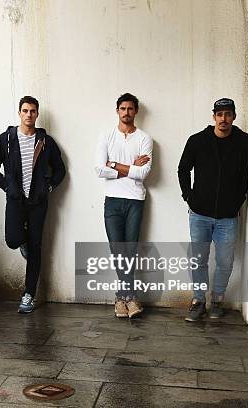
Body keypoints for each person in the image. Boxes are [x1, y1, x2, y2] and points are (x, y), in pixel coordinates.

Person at [0, 95, 66, 313]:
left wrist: (48, 187)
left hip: (38, 203)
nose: (29, 115)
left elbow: (60, 170)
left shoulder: (46, 141)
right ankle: (22, 242)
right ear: (19, 113)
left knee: (35, 248)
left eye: (33, 111)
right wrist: (6, 186)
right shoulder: (6, 139)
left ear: (37, 114)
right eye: (25, 111)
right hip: (15, 200)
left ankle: (28, 294)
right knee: (13, 240)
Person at [178, 98, 248, 321]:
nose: (223, 119)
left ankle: (217, 300)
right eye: (220, 115)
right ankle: (199, 300)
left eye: (228, 114)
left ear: (234, 117)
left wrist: (239, 199)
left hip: (228, 216)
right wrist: (189, 196)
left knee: (225, 262)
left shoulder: (243, 142)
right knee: (198, 259)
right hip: (199, 214)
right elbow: (183, 169)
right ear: (214, 117)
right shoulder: (197, 141)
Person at [94, 93, 153, 318]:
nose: (126, 112)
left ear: (135, 111)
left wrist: (114, 165)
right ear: (117, 111)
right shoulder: (106, 136)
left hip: (135, 200)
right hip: (112, 201)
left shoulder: (145, 139)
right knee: (117, 249)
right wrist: (130, 168)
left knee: (130, 248)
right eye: (122, 108)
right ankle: (129, 297)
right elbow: (99, 170)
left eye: (130, 108)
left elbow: (144, 173)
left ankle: (122, 298)